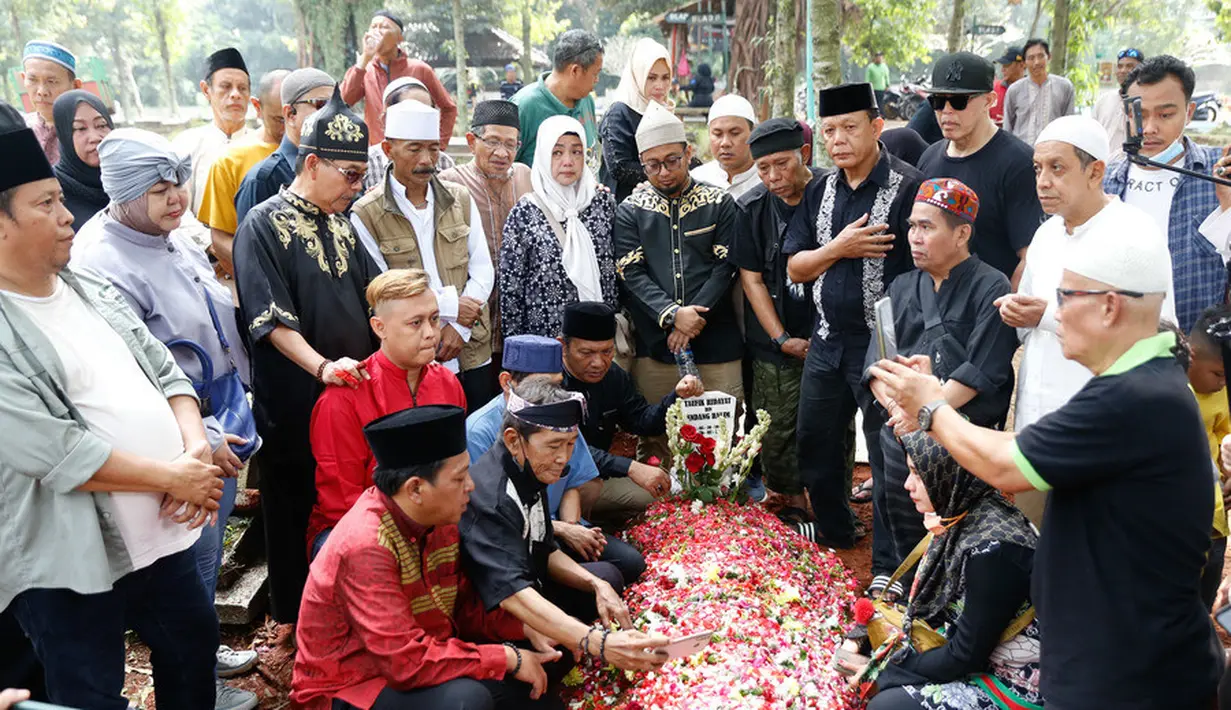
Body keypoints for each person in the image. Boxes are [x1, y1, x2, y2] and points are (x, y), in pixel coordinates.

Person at [868, 222, 1224, 710]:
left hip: (1125, 679)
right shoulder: (1143, 384)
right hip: (1118, 663)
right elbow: (1025, 447)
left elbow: (1005, 466)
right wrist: (934, 407)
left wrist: (933, 407)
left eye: (1064, 296)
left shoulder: (1134, 397)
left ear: (1109, 306)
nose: (1053, 313)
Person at [0, 99, 224, 710]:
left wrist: (195, 450)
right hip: (69, 563)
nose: (67, 216)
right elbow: (55, 451)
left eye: (60, 199)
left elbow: (165, 369)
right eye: (45, 204)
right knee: (90, 693)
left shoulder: (88, 285)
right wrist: (175, 476)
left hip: (165, 534)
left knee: (192, 652)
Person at [71, 128, 261, 710]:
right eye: (158, 190)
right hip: (178, 440)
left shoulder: (171, 235)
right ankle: (200, 680)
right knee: (190, 558)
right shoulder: (100, 261)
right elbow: (130, 371)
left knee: (206, 549)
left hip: (220, 411)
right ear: (123, 193)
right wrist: (202, 435)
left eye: (178, 183)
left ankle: (204, 656)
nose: (176, 197)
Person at [292, 405, 564, 710]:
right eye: (459, 478)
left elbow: (460, 608)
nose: (471, 486)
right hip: (355, 685)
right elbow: (404, 662)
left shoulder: (439, 521)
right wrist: (507, 658)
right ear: (416, 489)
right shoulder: (366, 546)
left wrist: (523, 628)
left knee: (546, 657)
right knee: (467, 701)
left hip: (425, 654)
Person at [233, 88, 381, 626]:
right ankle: (295, 623)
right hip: (297, 398)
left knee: (348, 504)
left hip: (350, 396)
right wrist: (322, 367)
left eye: (362, 176)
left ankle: (351, 611)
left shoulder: (342, 223)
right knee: (294, 505)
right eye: (350, 175)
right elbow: (270, 320)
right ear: (312, 163)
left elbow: (374, 294)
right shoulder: (262, 224)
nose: (357, 187)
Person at [1003, 115, 1175, 526]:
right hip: (1036, 428)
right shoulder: (1046, 235)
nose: (1043, 182)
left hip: (1102, 434)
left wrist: (1047, 316)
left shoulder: (1135, 233)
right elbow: (1030, 322)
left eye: (1057, 168)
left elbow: (1158, 333)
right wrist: (1019, 313)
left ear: (1095, 171)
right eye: (1037, 169)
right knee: (1035, 542)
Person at [784, 83, 923, 563]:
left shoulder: (909, 187)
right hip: (825, 341)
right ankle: (836, 531)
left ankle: (888, 560)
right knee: (815, 440)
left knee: (887, 452)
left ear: (877, 126)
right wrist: (838, 249)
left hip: (883, 346)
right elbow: (795, 267)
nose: (838, 139)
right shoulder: (819, 188)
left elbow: (924, 271)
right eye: (829, 131)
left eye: (849, 127)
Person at [459, 378, 673, 674]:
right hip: (497, 616)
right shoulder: (493, 499)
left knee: (606, 579)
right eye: (553, 446)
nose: (563, 458)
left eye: (571, 444)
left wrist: (596, 585)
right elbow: (512, 594)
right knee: (558, 663)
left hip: (531, 585)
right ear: (513, 440)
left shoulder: (530, 469)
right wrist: (598, 643)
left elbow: (544, 547)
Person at [866, 178, 1018, 590]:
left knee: (949, 522)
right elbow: (877, 363)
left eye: (927, 227)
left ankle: (943, 589)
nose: (915, 237)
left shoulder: (991, 286)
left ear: (962, 233)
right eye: (913, 226)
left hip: (960, 432)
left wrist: (926, 414)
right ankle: (895, 573)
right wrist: (898, 409)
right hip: (902, 425)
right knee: (895, 501)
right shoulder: (901, 286)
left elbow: (981, 370)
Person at [858, 433, 1042, 710]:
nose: (907, 484)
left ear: (947, 473)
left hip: (1016, 680)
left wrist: (887, 673)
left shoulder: (992, 551)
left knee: (887, 706)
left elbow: (966, 656)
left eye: (917, 474)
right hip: (977, 650)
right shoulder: (962, 512)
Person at [306, 268, 467, 558]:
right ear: (379, 327)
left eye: (434, 319)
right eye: (415, 323)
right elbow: (342, 502)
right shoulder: (344, 398)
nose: (430, 333)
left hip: (437, 519)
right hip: (359, 529)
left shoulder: (447, 383)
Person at [616, 102, 744, 457]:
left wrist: (689, 322)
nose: (664, 172)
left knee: (720, 441)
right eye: (652, 165)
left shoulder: (719, 203)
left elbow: (726, 266)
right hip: (657, 348)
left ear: (688, 153)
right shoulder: (631, 210)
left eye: (672, 160)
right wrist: (673, 315)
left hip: (717, 344)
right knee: (658, 443)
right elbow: (631, 272)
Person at [467, 334, 646, 588]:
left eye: (558, 385)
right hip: (515, 537)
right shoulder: (479, 431)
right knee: (605, 577)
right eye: (541, 386)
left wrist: (573, 527)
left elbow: (572, 479)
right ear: (507, 382)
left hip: (558, 527)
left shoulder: (558, 410)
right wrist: (562, 530)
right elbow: (493, 517)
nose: (551, 395)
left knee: (630, 564)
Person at [351, 100, 495, 409]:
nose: (427, 160)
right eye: (414, 149)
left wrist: (459, 328)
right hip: (412, 358)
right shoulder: (366, 214)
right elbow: (383, 289)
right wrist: (451, 306)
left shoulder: (459, 198)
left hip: (470, 348)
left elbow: (483, 269)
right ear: (388, 150)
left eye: (433, 149)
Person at [1103, 54, 1231, 334]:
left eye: (1165, 115)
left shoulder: (1218, 175)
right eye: (1139, 114)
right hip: (1120, 342)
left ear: (1189, 111)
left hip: (1199, 348)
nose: (1149, 128)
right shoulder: (1105, 181)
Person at [732, 119, 821, 519]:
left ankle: (830, 502)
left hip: (828, 336)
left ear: (804, 155)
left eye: (782, 165)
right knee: (777, 424)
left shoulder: (830, 194)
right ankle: (790, 501)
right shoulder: (750, 208)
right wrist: (782, 338)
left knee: (830, 424)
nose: (773, 177)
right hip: (773, 340)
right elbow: (751, 280)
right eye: (763, 168)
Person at [559, 302, 701, 527]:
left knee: (662, 491)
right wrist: (630, 467)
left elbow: (643, 421)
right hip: (557, 480)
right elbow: (566, 449)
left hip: (598, 475)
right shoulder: (549, 380)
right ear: (563, 347)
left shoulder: (613, 376)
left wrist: (676, 397)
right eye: (586, 353)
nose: (598, 363)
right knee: (587, 488)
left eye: (607, 352)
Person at [917, 52, 1042, 286]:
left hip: (991, 302)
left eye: (959, 101)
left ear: (989, 100)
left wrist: (1005, 304)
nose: (947, 111)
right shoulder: (929, 158)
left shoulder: (1019, 163)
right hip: (932, 301)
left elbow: (1030, 258)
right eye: (938, 101)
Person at [501, 116, 617, 340]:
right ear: (543, 155)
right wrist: (517, 346)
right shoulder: (525, 213)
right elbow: (511, 289)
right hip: (544, 341)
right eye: (557, 152)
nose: (568, 161)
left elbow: (619, 272)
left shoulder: (603, 204)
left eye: (576, 152)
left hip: (598, 341)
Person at [439, 99, 534, 360]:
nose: (502, 153)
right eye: (492, 141)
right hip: (467, 323)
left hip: (518, 320)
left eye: (510, 144)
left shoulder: (525, 177)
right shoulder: (449, 183)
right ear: (471, 141)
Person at [198, 70, 289, 278]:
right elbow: (220, 238)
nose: (288, 128)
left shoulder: (316, 153)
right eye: (279, 120)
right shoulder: (231, 160)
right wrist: (261, 275)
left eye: (293, 116)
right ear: (257, 107)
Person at [234, 68, 335, 228]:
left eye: (336, 105)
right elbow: (250, 242)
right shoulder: (263, 180)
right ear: (290, 114)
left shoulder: (341, 171)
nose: (333, 114)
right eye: (321, 104)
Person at [340, 9, 456, 148]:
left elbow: (449, 108)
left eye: (384, 27)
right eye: (373, 27)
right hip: (378, 152)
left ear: (400, 38)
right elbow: (343, 101)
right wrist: (365, 58)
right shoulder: (365, 71)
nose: (377, 32)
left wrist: (438, 145)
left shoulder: (420, 69)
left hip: (413, 153)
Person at [172, 48, 253, 219]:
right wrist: (207, 236)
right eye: (226, 87)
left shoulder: (264, 146)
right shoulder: (186, 145)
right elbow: (178, 208)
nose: (235, 94)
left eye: (242, 88)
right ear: (206, 90)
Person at [1185, 311, 1231, 610]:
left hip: (1215, 515)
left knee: (1208, 590)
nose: (1223, 383)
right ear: (1191, 355)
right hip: (1181, 514)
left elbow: (1225, 433)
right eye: (1218, 374)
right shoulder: (1171, 391)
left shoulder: (1221, 393)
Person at [511, 29, 603, 167]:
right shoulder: (524, 106)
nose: (597, 80)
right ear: (575, 71)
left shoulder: (586, 101)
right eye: (595, 74)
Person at [599, 37, 673, 202]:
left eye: (665, 77)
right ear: (637, 76)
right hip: (624, 206)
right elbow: (619, 167)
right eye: (651, 78)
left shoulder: (663, 110)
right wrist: (667, 170)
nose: (660, 85)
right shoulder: (619, 113)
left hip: (658, 205)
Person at [363, 77, 458, 192]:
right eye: (414, 149)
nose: (426, 160)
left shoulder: (445, 163)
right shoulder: (366, 164)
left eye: (426, 112)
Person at [50, 89, 112, 231]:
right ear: (64, 136)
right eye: (80, 128)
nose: (95, 137)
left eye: (101, 125)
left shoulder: (131, 179)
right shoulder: (53, 192)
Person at [1003, 39, 1076, 146]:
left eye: (1041, 56)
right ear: (1024, 63)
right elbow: (1007, 127)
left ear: (1049, 57)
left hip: (1053, 151)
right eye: (1031, 58)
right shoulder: (1014, 90)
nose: (1036, 62)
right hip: (1021, 151)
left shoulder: (1064, 87)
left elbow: (1069, 125)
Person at [20, 40, 82, 164]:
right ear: (23, 80)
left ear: (75, 86)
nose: (42, 91)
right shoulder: (19, 131)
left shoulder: (86, 134)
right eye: (32, 80)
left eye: (52, 81)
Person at [691, 94, 761, 199]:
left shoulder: (768, 181)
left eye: (735, 133)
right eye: (717, 134)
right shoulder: (697, 180)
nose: (725, 143)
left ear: (753, 133)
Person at [1092, 47, 1145, 162]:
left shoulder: (1146, 102)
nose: (1123, 70)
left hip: (1133, 165)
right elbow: (1092, 134)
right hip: (1102, 164)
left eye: (1130, 66)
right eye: (1120, 66)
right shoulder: (1104, 100)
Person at [991, 46, 1024, 126]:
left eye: (1007, 65)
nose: (1002, 70)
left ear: (1021, 65)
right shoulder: (993, 89)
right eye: (1002, 65)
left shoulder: (1031, 91)